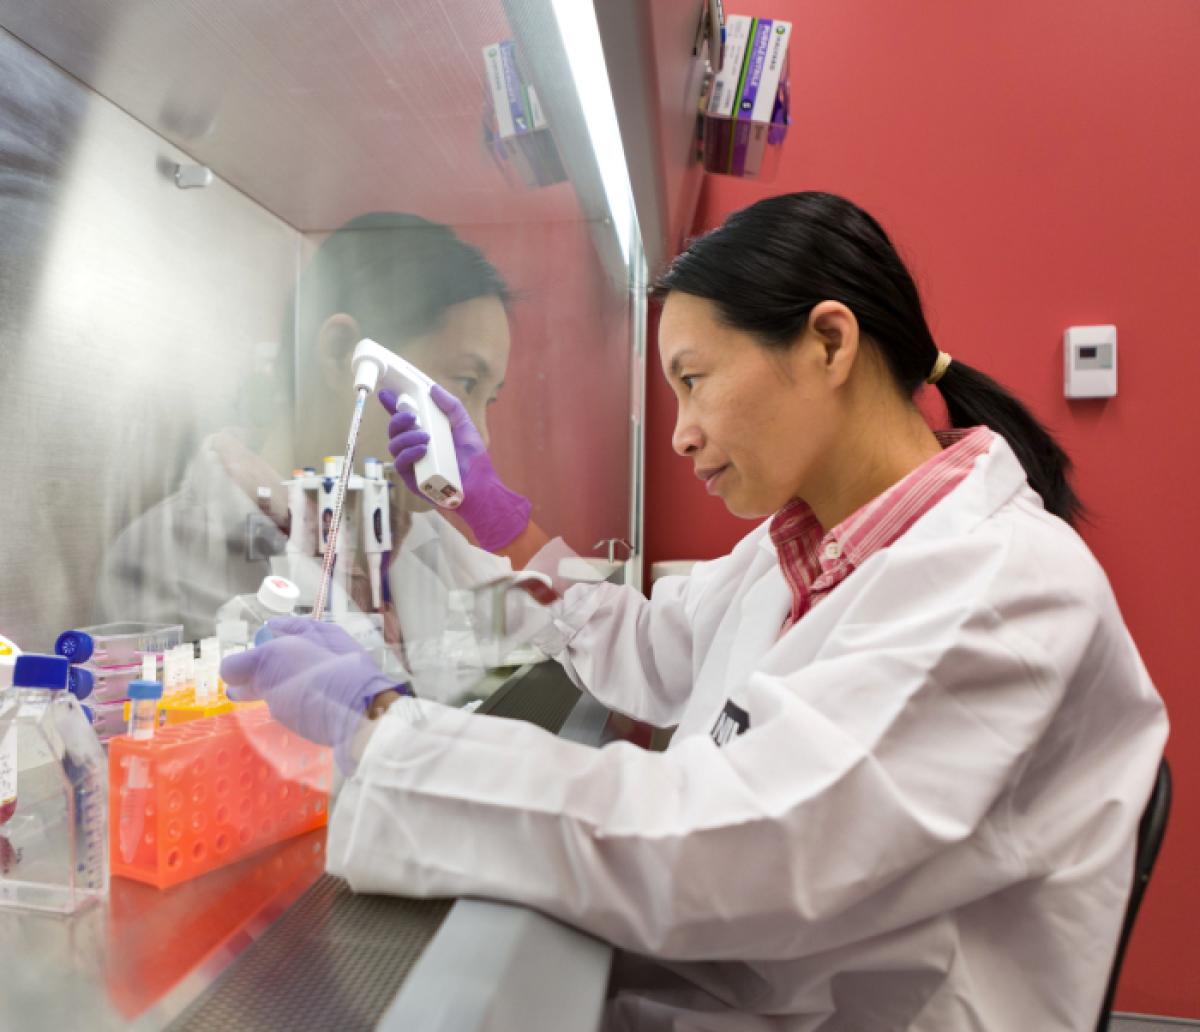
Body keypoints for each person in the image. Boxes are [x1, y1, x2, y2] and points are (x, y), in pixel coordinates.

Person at [221, 192, 1167, 1031]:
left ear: (829, 343)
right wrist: (499, 518)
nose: (680, 432)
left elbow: (742, 846)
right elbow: (660, 649)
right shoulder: (807, 542)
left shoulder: (999, 587)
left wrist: (384, 727)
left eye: (693, 379)